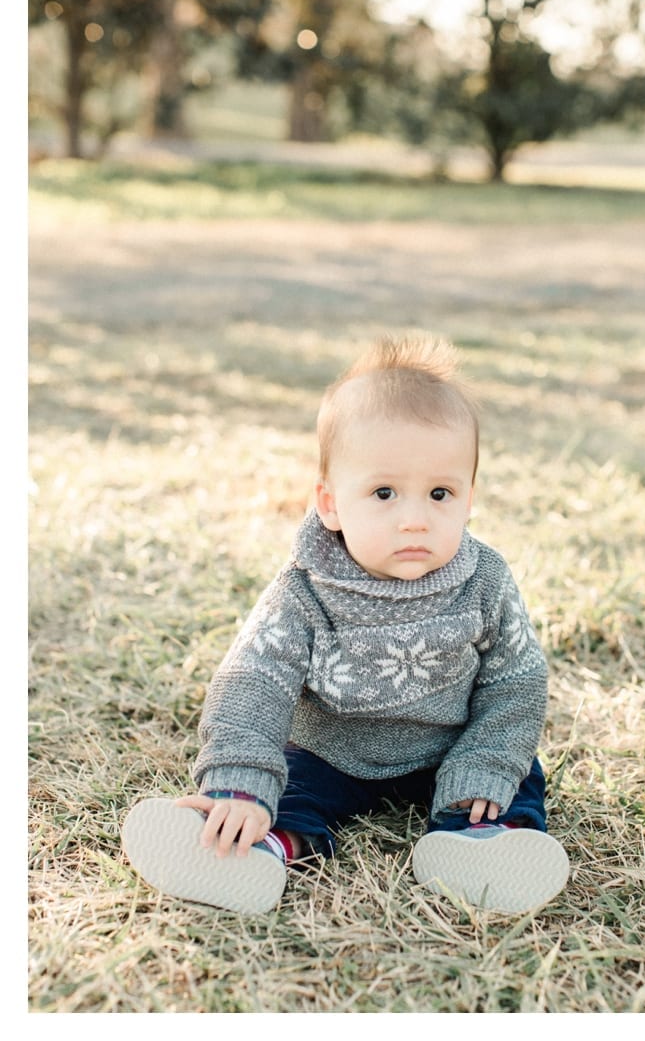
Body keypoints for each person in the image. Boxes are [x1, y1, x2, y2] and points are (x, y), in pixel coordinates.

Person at [122, 334, 568, 915]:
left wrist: (484, 761)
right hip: (332, 751)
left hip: (448, 748)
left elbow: (516, 681)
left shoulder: (484, 579)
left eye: (440, 493)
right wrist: (240, 781)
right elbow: (254, 679)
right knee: (289, 789)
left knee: (509, 780)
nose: (414, 519)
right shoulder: (306, 589)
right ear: (330, 503)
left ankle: (482, 845)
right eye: (384, 492)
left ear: (469, 498)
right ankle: (260, 847)